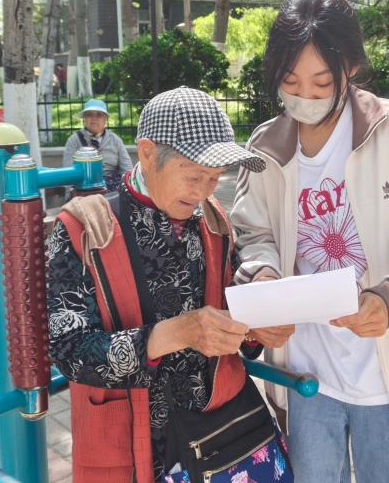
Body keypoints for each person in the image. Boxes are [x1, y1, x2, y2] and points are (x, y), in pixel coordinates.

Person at [231, 0, 389, 483]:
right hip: (307, 380)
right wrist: (263, 282)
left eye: (322, 82)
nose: (305, 96)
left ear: (351, 67)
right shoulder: (265, 147)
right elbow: (251, 233)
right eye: (290, 81)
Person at [47, 87, 290, 483]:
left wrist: (256, 330)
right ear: (146, 153)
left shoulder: (213, 220)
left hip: (220, 438)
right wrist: (172, 334)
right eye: (193, 175)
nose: (204, 191)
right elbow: (68, 350)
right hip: (131, 447)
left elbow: (233, 315)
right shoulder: (83, 229)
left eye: (215, 178)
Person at [61, 98, 133, 192]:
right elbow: (69, 174)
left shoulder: (115, 140)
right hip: (84, 191)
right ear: (84, 119)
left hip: (112, 192)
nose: (94, 118)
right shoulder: (73, 141)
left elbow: (127, 170)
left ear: (105, 119)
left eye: (99, 115)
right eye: (89, 115)